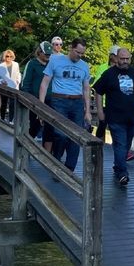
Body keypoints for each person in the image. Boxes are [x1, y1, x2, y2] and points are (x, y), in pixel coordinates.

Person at [92, 47, 134, 186]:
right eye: (122, 59)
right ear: (116, 58)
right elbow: (98, 91)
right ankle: (122, 173)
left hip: (131, 117)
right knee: (120, 144)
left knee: (126, 145)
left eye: (127, 59)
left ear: (130, 59)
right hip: (115, 117)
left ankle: (118, 166)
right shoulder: (109, 74)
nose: (125, 61)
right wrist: (100, 111)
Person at [39, 38, 92, 170]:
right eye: (77, 52)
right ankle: (57, 160)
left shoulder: (84, 66)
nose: (79, 56)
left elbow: (86, 88)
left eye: (82, 53)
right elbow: (45, 83)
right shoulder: (55, 61)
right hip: (59, 100)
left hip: (77, 101)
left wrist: (87, 111)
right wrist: (41, 105)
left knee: (77, 135)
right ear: (71, 48)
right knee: (60, 134)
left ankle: (69, 168)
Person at [21, 41, 52, 140]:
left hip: (50, 100)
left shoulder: (51, 64)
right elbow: (25, 83)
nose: (48, 56)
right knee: (35, 126)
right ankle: (27, 143)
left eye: (49, 54)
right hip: (35, 100)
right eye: (46, 53)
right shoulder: (32, 64)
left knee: (49, 129)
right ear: (39, 52)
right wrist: (29, 99)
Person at [0, 49, 22, 123]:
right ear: (4, 57)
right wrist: (1, 81)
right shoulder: (0, 66)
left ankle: (11, 120)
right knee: (4, 103)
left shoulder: (16, 64)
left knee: (12, 104)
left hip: (14, 86)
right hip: (4, 87)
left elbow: (18, 73)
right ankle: (2, 119)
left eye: (10, 56)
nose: (9, 58)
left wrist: (18, 80)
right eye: (7, 56)